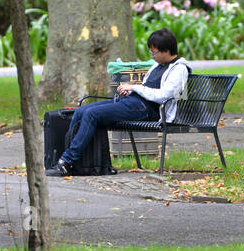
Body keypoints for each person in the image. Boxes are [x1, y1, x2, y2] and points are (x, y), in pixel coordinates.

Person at [46, 28, 191, 176]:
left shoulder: (179, 69)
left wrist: (135, 87)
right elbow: (147, 88)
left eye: (154, 52)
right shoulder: (157, 65)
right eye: (151, 52)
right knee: (81, 111)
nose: (152, 56)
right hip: (134, 103)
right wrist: (131, 90)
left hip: (148, 110)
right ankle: (70, 161)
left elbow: (164, 96)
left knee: (91, 114)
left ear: (166, 51)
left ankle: (67, 161)